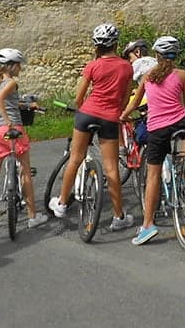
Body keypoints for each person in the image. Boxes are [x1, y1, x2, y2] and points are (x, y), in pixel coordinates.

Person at [49, 23, 135, 232]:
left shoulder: (92, 66)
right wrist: (117, 110)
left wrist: (85, 110)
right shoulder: (126, 66)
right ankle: (118, 216)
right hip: (110, 117)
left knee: (75, 157)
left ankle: (61, 203)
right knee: (111, 168)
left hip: (87, 114)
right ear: (116, 44)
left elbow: (79, 97)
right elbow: (125, 98)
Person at [119, 36, 185, 245]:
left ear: (157, 56)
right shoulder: (181, 75)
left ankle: (148, 225)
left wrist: (123, 116)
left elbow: (134, 104)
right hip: (180, 124)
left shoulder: (148, 77)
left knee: (152, 176)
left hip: (158, 129)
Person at [0, 48, 48, 231]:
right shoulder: (11, 83)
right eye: (19, 65)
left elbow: (8, 102)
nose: (20, 69)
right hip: (13, 129)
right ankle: (32, 217)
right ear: (12, 66)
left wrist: (26, 104)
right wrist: (9, 121)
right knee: (25, 171)